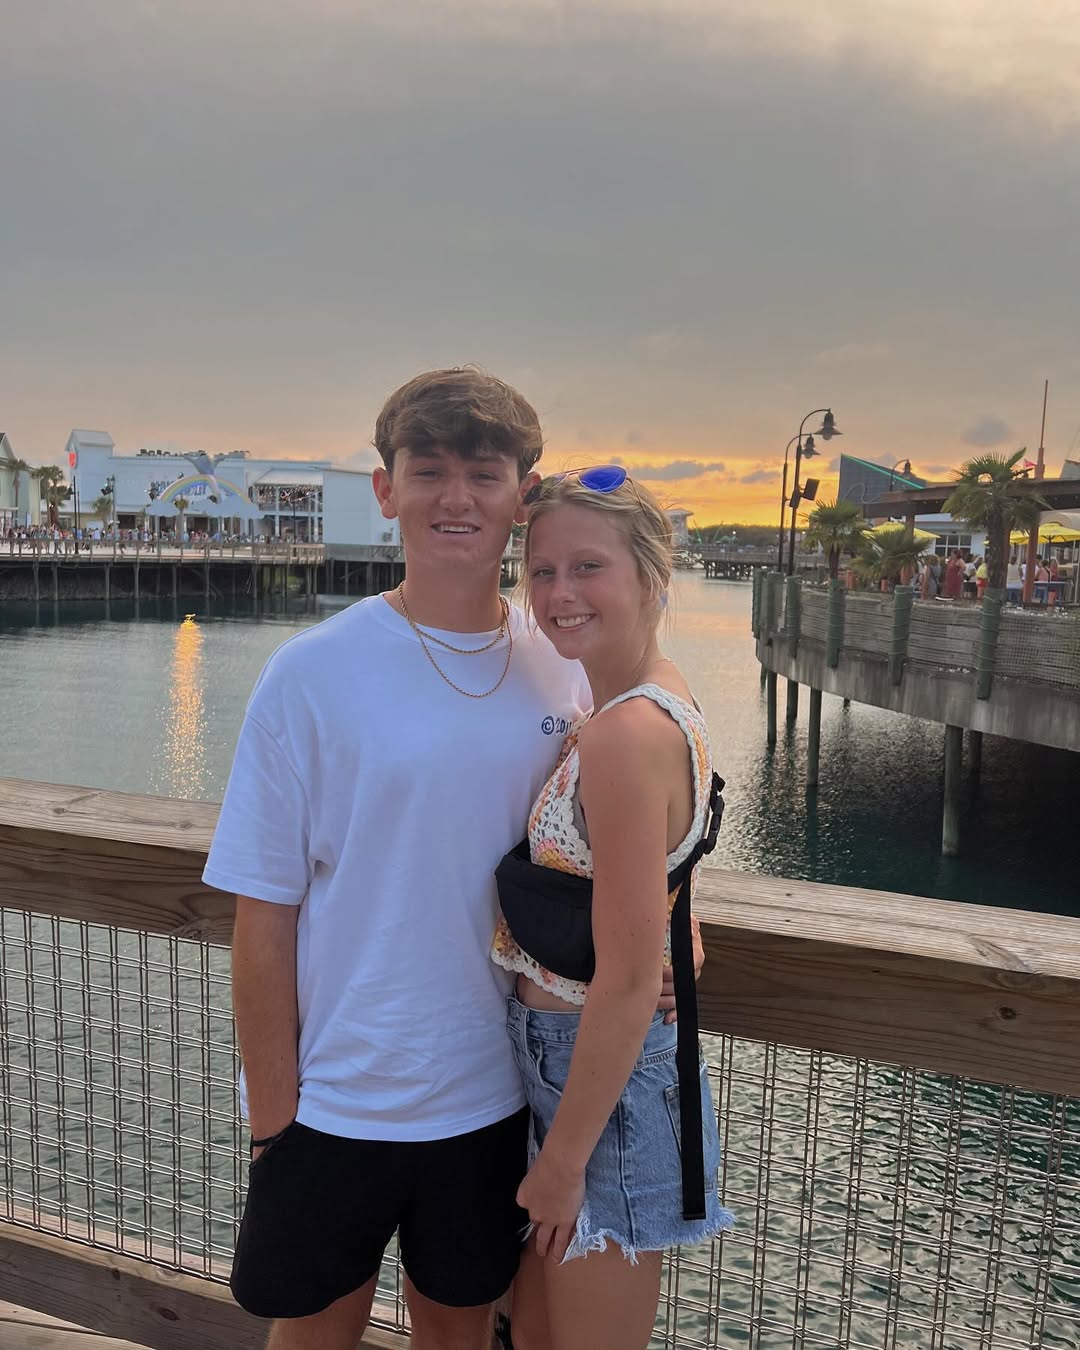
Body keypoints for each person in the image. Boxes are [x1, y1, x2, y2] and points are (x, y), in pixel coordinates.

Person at [202, 369, 696, 1350]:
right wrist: (275, 1117)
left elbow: (640, 826)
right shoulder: (310, 673)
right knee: (312, 1335)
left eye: (484, 473)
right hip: (336, 1098)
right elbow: (264, 912)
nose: (456, 497)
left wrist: (679, 937)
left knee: (458, 1333)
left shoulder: (567, 660)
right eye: (428, 471)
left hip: (495, 1096)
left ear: (523, 494)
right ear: (386, 490)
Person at [491, 470, 733, 1350]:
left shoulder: (625, 734)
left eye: (587, 567)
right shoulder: (647, 697)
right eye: (542, 570)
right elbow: (654, 867)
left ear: (652, 575)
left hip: (600, 1087)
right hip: (576, 1069)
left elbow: (629, 984)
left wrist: (561, 1166)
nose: (559, 593)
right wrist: (674, 920)